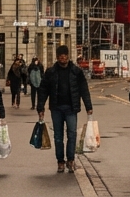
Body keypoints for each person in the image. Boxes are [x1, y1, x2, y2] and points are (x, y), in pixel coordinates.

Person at [37, 45, 94, 174]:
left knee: (72, 134)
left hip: (71, 108)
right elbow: (43, 90)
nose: (63, 58)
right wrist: (40, 107)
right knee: (58, 136)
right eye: (60, 56)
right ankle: (60, 161)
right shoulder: (51, 72)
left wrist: (88, 106)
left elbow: (84, 90)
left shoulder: (76, 71)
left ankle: (71, 160)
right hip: (56, 108)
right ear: (57, 57)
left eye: (64, 56)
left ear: (68, 56)